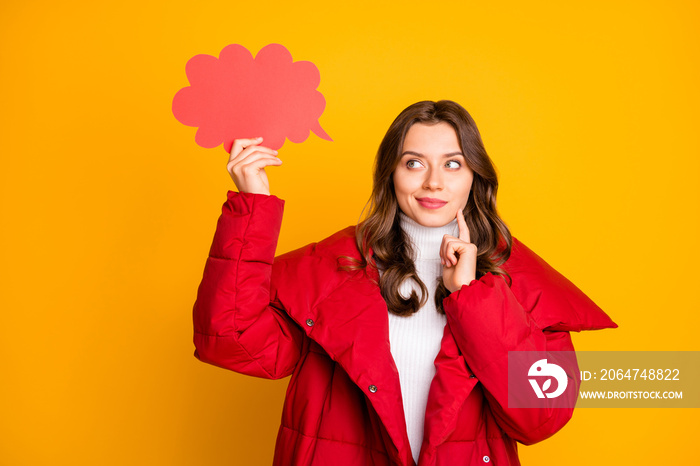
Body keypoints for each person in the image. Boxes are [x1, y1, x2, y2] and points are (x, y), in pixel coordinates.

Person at [192, 100, 617, 466]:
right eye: (414, 163)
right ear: (390, 174)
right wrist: (254, 204)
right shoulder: (331, 268)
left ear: (475, 176)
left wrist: (472, 295)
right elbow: (231, 341)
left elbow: (540, 417)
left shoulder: (517, 279)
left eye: (453, 163)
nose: (433, 181)